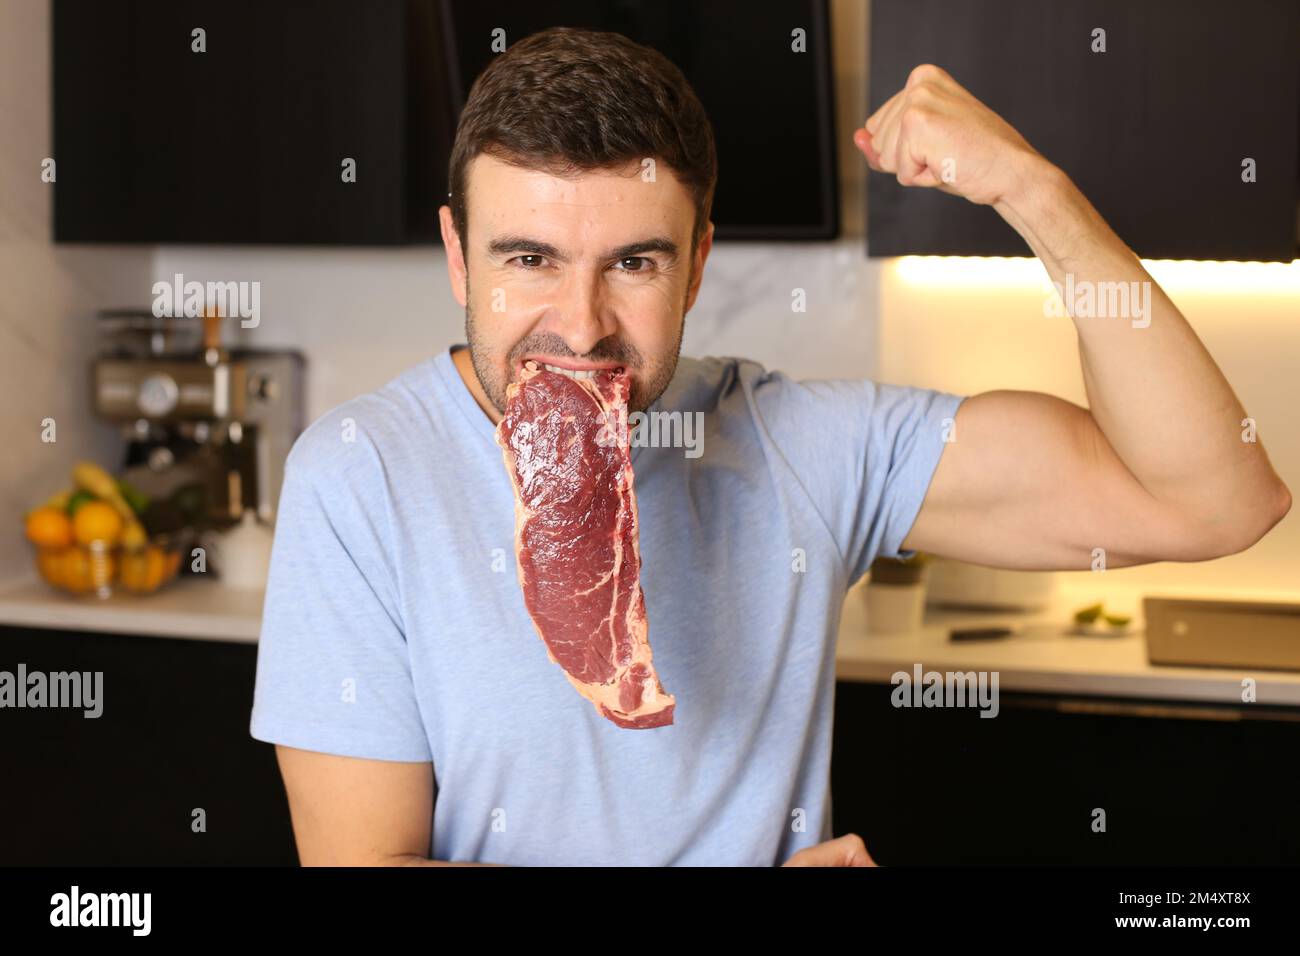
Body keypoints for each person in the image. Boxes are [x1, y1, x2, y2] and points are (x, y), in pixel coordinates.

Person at [250, 28, 1290, 866]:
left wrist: (1036, 192)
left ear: (698, 265)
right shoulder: (361, 478)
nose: (582, 322)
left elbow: (1212, 500)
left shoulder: (798, 442)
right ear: (457, 256)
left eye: (635, 262)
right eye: (528, 256)